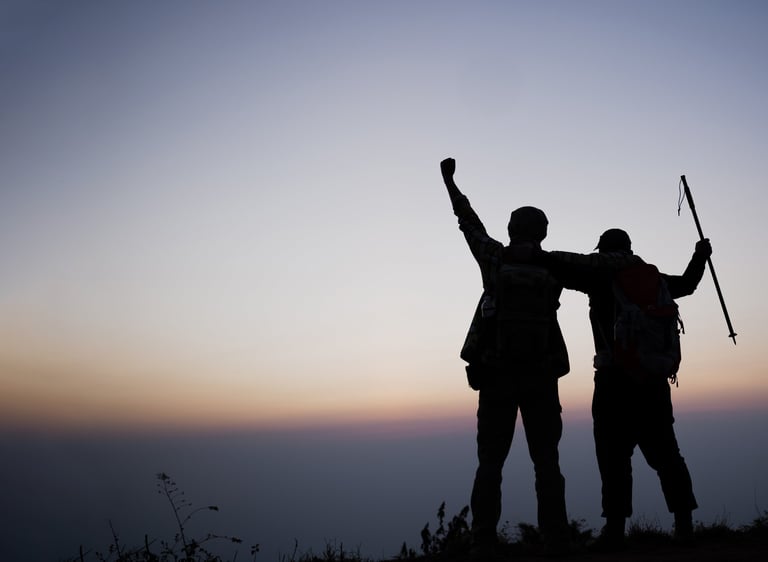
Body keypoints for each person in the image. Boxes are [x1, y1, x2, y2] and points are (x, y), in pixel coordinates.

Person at [544, 228, 712, 549]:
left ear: (604, 250)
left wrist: (531, 253)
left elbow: (562, 267)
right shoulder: (655, 281)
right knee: (665, 452)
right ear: (630, 248)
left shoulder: (598, 277)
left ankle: (615, 530)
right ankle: (684, 524)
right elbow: (688, 285)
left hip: (613, 380)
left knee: (613, 454)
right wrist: (700, 255)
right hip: (653, 380)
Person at [440, 157, 571, 556]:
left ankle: (483, 539)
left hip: (497, 374)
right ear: (543, 232)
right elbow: (600, 271)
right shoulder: (555, 265)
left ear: (512, 230)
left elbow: (470, 225)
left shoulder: (495, 259)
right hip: (541, 375)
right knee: (546, 461)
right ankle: (556, 539)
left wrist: (449, 183)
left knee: (490, 463)